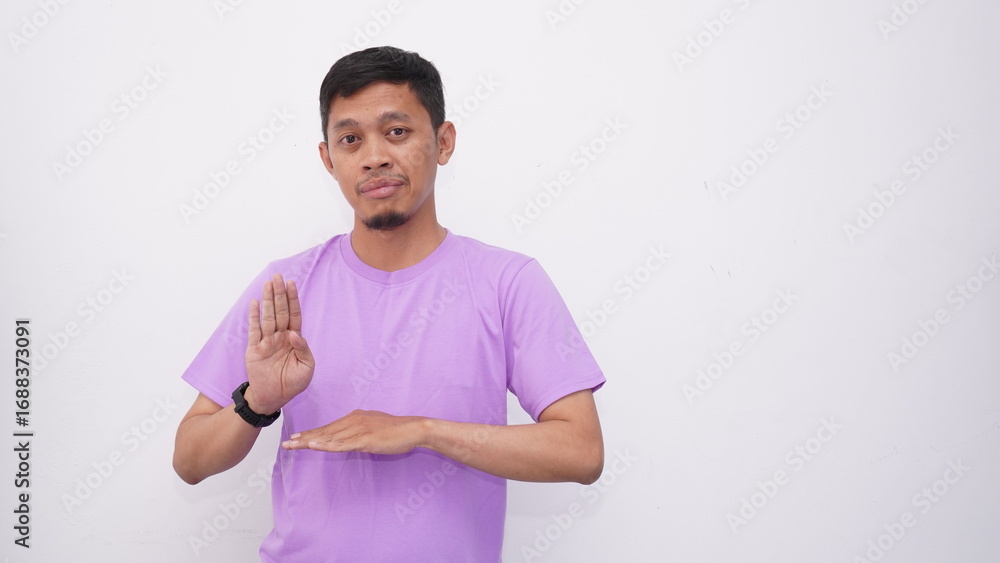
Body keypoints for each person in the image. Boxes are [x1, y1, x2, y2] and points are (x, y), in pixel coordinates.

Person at [172, 45, 606, 562]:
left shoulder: (507, 282)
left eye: (396, 131)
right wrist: (256, 403)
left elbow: (582, 452)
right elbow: (189, 461)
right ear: (328, 159)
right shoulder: (285, 288)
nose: (374, 156)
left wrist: (422, 432)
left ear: (443, 141)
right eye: (350, 139)